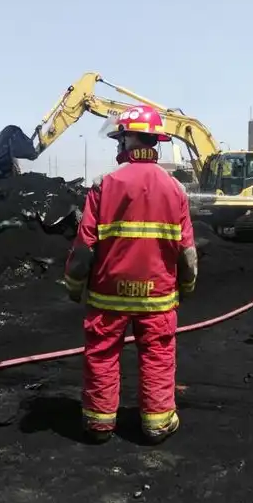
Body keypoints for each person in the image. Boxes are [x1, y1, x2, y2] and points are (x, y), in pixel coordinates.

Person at [63, 104, 198, 444]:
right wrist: (187, 284)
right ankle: (156, 424)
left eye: (119, 139)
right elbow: (186, 250)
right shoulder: (175, 190)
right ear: (155, 142)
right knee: (158, 355)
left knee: (102, 355)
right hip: (158, 296)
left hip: (108, 294)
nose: (117, 146)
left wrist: (74, 283)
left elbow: (84, 246)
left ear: (128, 140)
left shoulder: (103, 185)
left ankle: (98, 424)